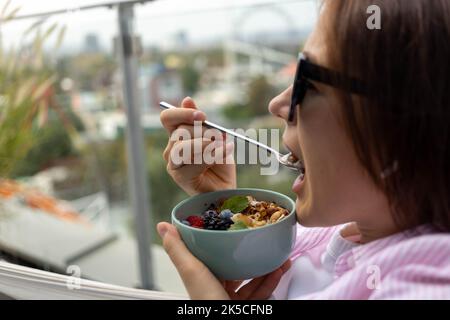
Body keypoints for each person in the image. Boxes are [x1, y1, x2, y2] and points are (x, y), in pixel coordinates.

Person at [157, 0, 450, 299]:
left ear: (394, 134)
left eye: (303, 82)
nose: (277, 105)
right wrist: (223, 216)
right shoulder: (327, 236)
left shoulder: (425, 286)